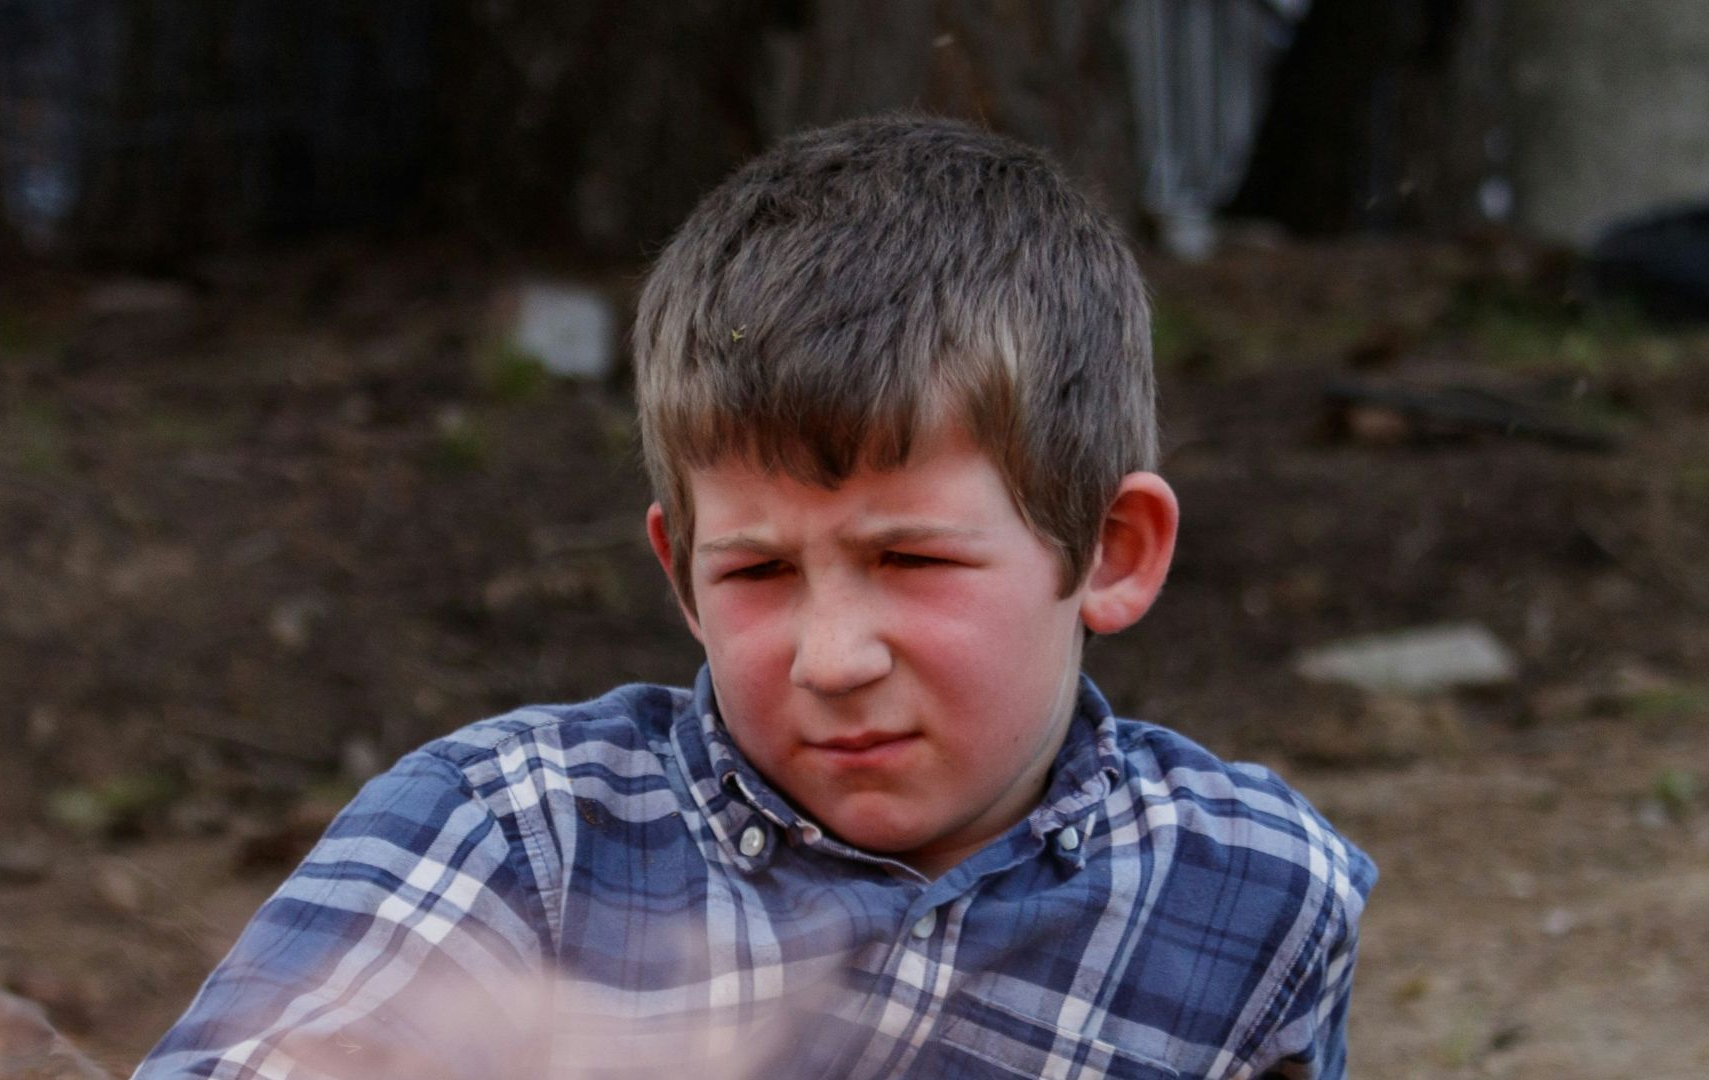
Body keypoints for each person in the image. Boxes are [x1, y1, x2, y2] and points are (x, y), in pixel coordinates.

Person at [134, 115, 1374, 1080]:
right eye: (759, 572)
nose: (832, 657)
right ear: (680, 570)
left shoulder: (1250, 892)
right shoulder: (515, 840)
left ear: (1111, 550)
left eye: (911, 560)